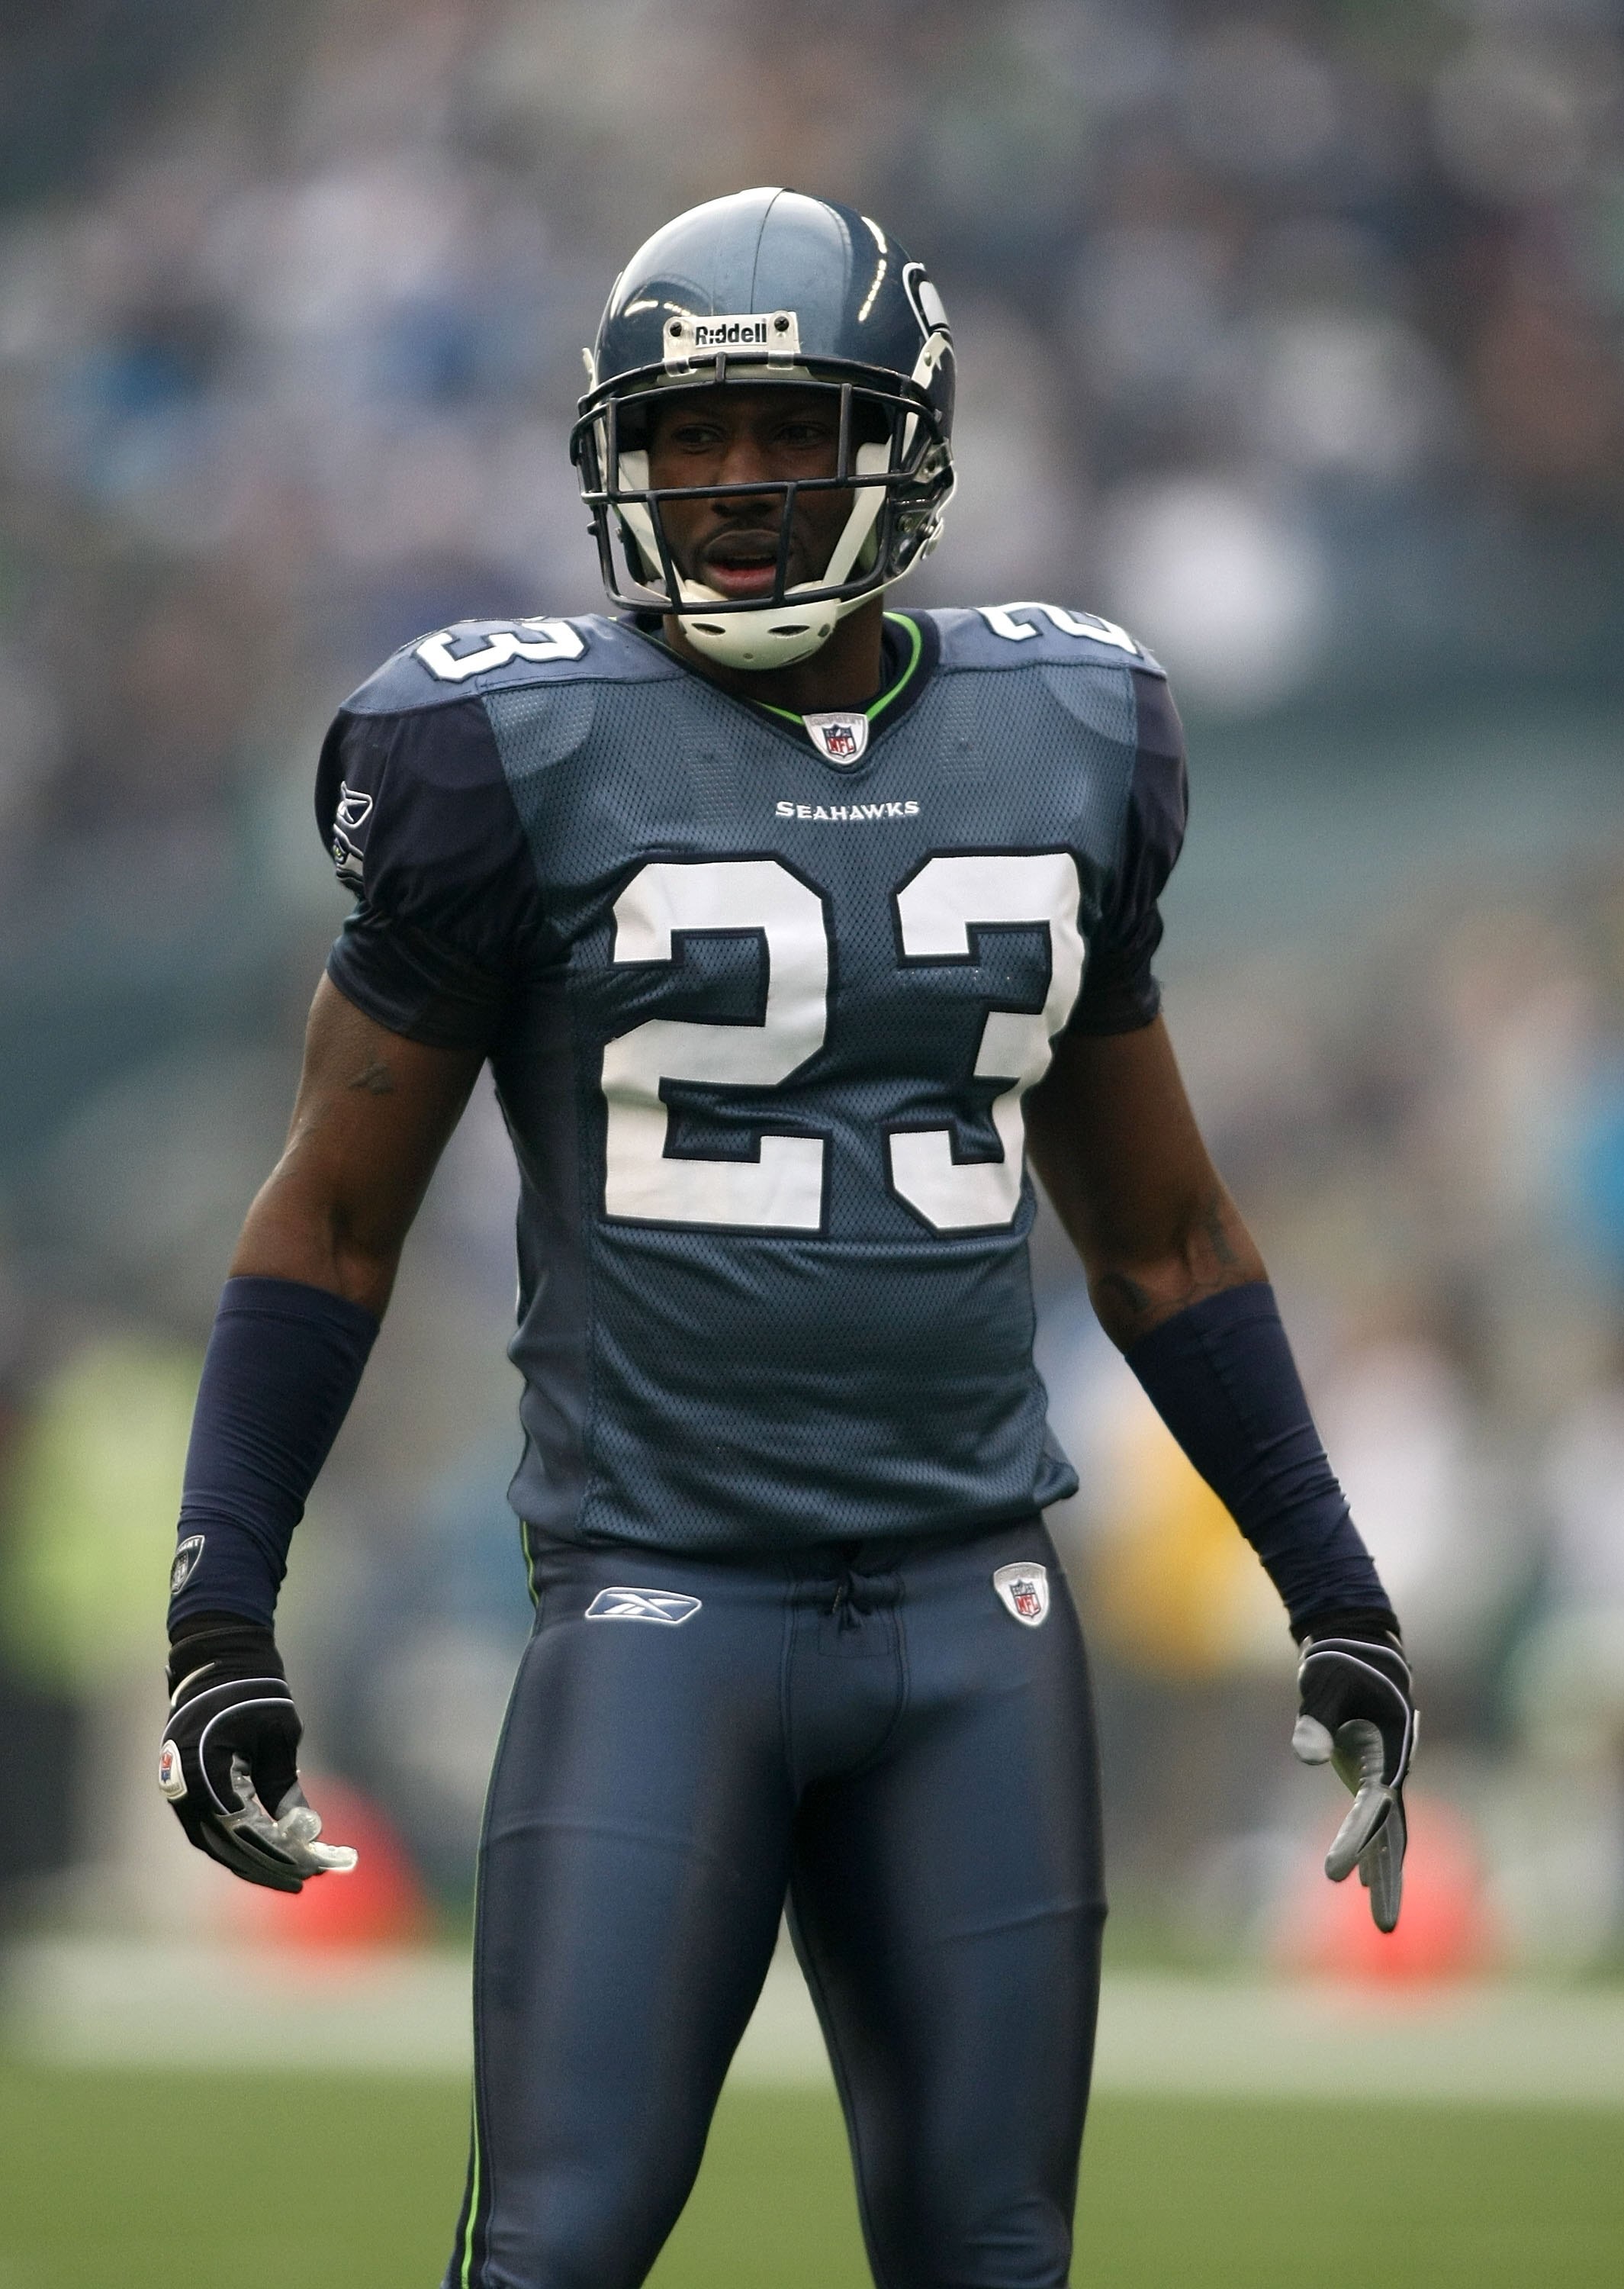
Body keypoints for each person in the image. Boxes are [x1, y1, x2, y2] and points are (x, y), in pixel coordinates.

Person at [157, 188, 1416, 2289]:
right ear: (610, 458)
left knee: (991, 2260)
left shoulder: (1074, 732)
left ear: (903, 439)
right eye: (687, 437)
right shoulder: (499, 746)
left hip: (974, 1615)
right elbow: (333, 1223)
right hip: (660, 1603)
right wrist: (221, 1616)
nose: (733, 488)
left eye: (785, 428)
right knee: (553, 2251)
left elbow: (1168, 1234)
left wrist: (1336, 1589)